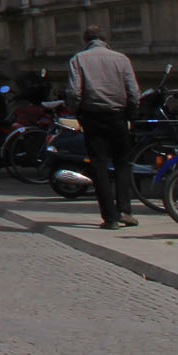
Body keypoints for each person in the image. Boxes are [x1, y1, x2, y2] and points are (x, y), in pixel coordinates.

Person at [67, 25, 141, 229]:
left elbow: (74, 92)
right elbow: (133, 91)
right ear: (105, 40)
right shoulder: (121, 59)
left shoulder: (79, 59)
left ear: (86, 40)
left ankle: (109, 217)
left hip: (92, 116)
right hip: (118, 116)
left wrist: (76, 111)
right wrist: (132, 113)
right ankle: (125, 210)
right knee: (122, 162)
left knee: (98, 163)